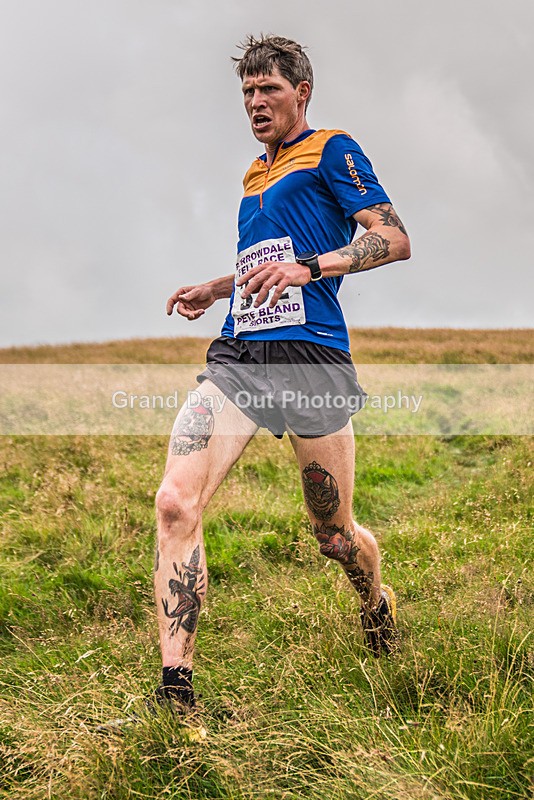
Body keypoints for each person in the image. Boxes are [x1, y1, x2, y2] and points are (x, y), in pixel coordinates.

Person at [155, 34, 411, 713]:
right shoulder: (252, 174)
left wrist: (313, 266)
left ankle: (375, 600)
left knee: (333, 535)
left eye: (268, 89)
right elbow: (262, 262)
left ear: (301, 92)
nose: (256, 102)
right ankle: (175, 696)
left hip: (312, 358)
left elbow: (392, 237)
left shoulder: (334, 149)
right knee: (177, 503)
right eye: (247, 92)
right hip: (241, 355)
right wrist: (219, 287)